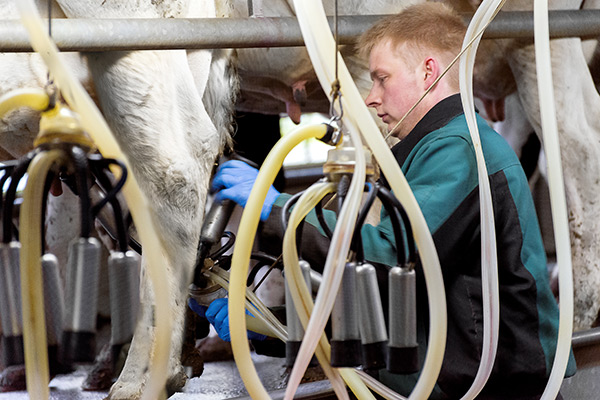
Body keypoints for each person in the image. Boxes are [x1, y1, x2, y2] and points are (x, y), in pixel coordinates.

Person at [190, 3, 576, 399]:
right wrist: (273, 325)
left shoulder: (459, 149)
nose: (371, 98)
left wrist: (274, 209)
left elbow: (389, 254)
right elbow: (398, 294)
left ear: (428, 72)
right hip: (461, 371)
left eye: (381, 79)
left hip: (497, 385)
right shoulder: (432, 148)